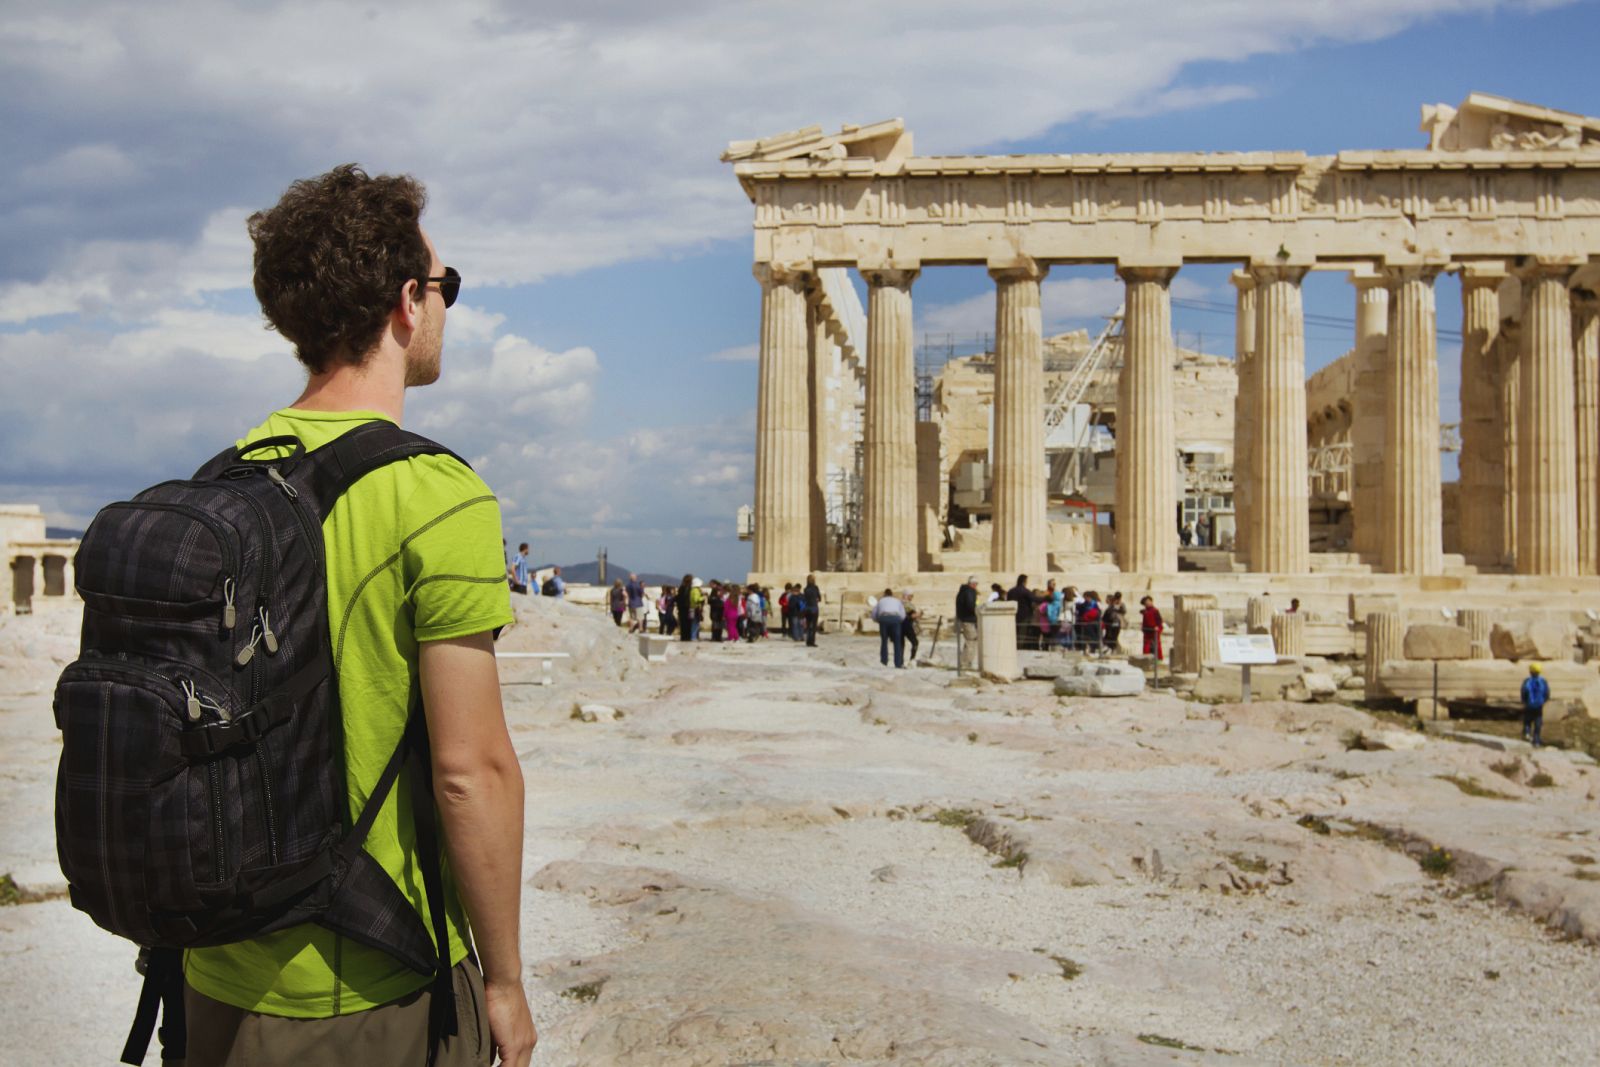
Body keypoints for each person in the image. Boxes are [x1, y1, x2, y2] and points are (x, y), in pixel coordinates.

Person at [182, 166, 536, 1066]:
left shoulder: (220, 479)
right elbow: (471, 771)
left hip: (212, 970)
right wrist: (504, 979)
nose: (444, 306)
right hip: (374, 980)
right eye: (445, 285)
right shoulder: (437, 494)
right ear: (407, 303)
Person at [872, 587, 907, 668]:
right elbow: (903, 614)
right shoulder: (897, 601)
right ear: (892, 594)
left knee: (884, 641)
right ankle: (898, 663)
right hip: (895, 619)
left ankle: (884, 661)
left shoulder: (880, 601)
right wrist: (898, 621)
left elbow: (874, 614)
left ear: (884, 594)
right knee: (897, 641)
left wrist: (878, 620)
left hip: (884, 619)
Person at [1521, 662, 1549, 747]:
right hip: (1539, 706)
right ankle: (1536, 741)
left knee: (1527, 721)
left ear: (1530, 671)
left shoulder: (1526, 681)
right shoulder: (1543, 681)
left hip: (1529, 705)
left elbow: (1523, 692)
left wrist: (1524, 702)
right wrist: (1543, 701)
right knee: (1538, 723)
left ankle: (1527, 733)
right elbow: (1547, 693)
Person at [955, 575, 979, 671]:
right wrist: (976, 610)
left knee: (969, 641)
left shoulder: (963, 591)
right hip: (969, 620)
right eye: (976, 584)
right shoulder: (969, 592)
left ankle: (964, 661)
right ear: (973, 584)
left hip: (964, 619)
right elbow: (970, 605)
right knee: (971, 641)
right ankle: (965, 663)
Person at [1008, 574, 1033, 650]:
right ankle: (1019, 648)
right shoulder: (1025, 591)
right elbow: (1034, 599)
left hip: (1013, 615)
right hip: (1024, 616)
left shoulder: (1011, 591)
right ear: (1024, 581)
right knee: (1022, 634)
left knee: (1014, 633)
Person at [1140, 595, 1165, 660]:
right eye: (1146, 602)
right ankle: (1146, 660)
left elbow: (1159, 621)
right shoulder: (1145, 611)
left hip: (1154, 631)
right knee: (1146, 647)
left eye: (1148, 601)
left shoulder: (1155, 610)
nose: (1147, 603)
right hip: (1147, 632)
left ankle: (1158, 659)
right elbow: (1145, 622)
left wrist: (1157, 627)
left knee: (1157, 646)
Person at [803, 574, 822, 647]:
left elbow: (805, 599)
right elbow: (819, 598)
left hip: (807, 609)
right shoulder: (816, 588)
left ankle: (808, 641)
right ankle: (812, 641)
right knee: (813, 626)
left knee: (808, 626)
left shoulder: (805, 589)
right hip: (814, 608)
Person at [903, 593, 921, 662]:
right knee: (915, 642)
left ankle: (900, 661)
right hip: (907, 626)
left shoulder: (900, 603)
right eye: (911, 596)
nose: (912, 597)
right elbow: (912, 616)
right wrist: (918, 614)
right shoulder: (908, 605)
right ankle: (912, 659)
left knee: (901, 644)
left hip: (901, 625)